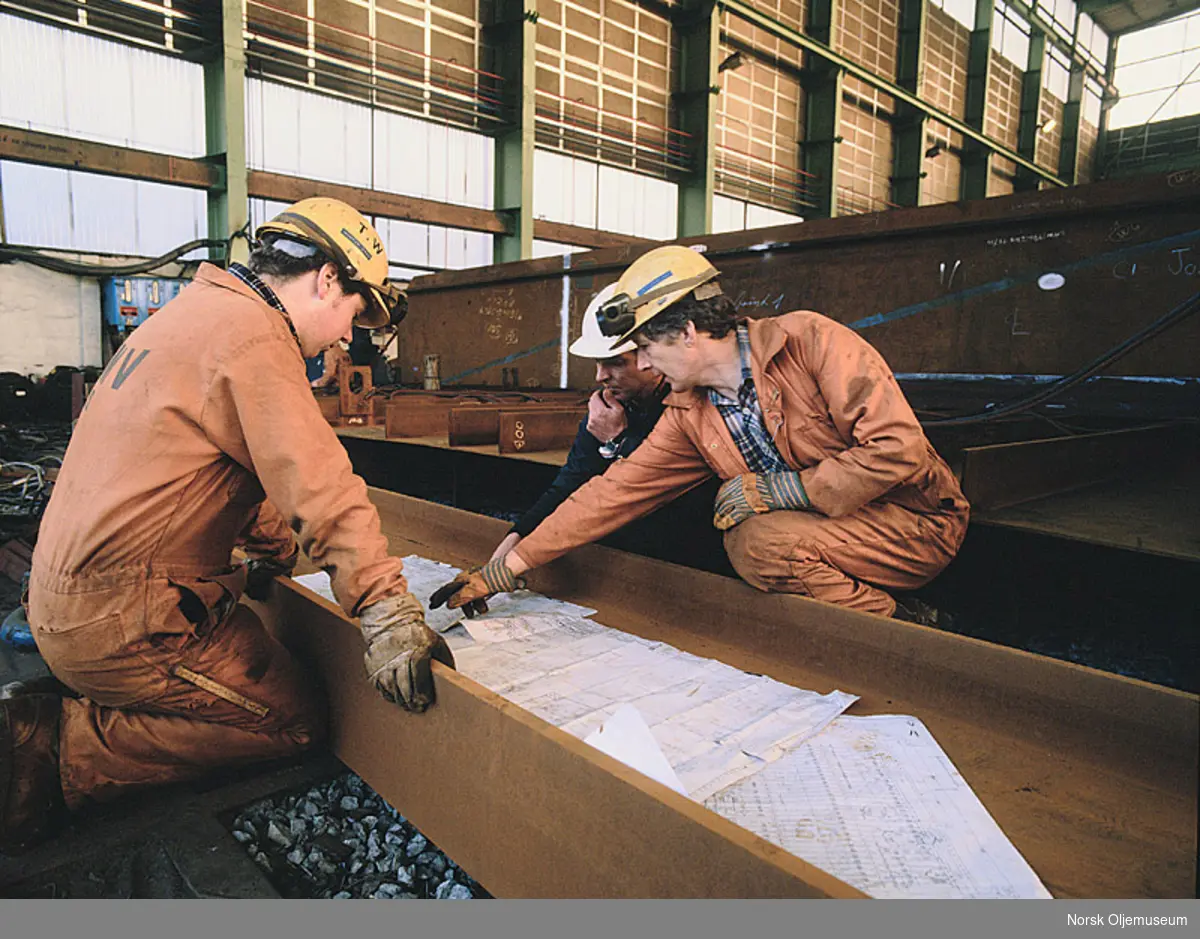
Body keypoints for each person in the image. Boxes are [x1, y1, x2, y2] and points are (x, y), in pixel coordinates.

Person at [2, 197, 453, 853]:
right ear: (328, 279)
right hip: (123, 620)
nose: (346, 336)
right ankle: (47, 752)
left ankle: (62, 706)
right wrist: (385, 608)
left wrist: (276, 552)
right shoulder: (253, 339)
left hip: (67, 601)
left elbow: (232, 469)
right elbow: (320, 481)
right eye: (355, 313)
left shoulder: (191, 317)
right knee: (290, 719)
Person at [433, 244, 969, 622]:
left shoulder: (811, 343)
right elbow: (609, 494)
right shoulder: (690, 410)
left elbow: (898, 449)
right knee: (755, 541)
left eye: (645, 348)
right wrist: (502, 571)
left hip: (915, 522)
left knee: (756, 540)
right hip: (830, 532)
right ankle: (899, 617)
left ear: (687, 333)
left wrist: (784, 489)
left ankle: (898, 624)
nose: (642, 362)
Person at [489, 284, 669, 563]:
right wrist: (517, 537)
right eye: (598, 362)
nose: (600, 376)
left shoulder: (684, 409)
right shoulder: (609, 408)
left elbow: (670, 492)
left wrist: (618, 441)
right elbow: (571, 481)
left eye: (614, 362)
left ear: (652, 356)